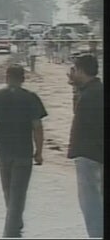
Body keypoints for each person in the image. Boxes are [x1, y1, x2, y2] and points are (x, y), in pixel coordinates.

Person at [0, 64, 47, 238]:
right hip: (23, 151)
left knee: (8, 190)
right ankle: (13, 225)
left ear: (6, 77)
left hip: (3, 150)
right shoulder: (31, 98)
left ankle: (11, 227)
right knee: (18, 192)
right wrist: (39, 151)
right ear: (23, 79)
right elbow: (37, 127)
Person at [67, 55, 103, 238]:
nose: (72, 73)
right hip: (92, 153)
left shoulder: (93, 94)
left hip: (90, 155)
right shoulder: (92, 90)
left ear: (81, 70)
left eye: (74, 69)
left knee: (91, 203)